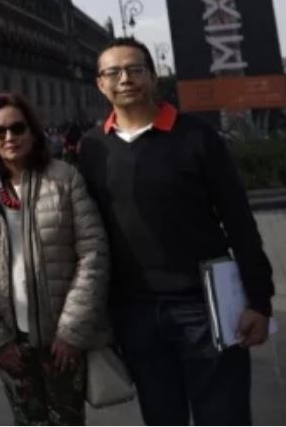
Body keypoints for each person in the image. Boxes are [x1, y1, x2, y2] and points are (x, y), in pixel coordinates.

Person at [78, 38, 274, 425]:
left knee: (224, 415)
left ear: (153, 77)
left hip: (206, 304)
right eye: (113, 72)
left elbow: (238, 219)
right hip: (135, 311)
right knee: (161, 415)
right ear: (100, 84)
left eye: (135, 69)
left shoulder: (196, 136)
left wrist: (259, 299)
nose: (125, 79)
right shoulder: (91, 148)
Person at [0, 93, 110, 426]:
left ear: (33, 131)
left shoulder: (64, 178)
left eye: (17, 128)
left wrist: (71, 330)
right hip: (12, 341)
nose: (9, 137)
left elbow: (93, 253)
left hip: (60, 340)